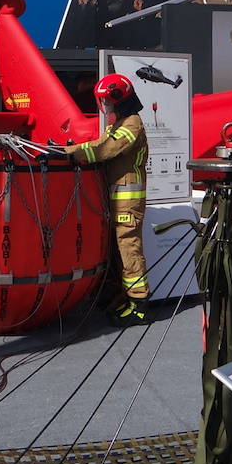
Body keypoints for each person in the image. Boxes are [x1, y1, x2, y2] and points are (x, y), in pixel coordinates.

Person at [66, 74, 150, 327]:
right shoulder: (119, 123)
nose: (105, 106)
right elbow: (100, 144)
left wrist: (66, 153)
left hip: (128, 200)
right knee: (116, 251)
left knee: (128, 247)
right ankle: (123, 296)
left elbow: (104, 150)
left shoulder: (132, 124)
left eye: (107, 101)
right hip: (116, 198)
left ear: (119, 100)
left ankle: (139, 304)